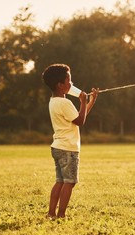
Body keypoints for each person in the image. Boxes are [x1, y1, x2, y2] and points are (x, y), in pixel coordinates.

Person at [42, 63, 99, 219]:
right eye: (69, 81)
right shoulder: (65, 103)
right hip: (68, 149)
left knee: (60, 181)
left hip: (58, 147)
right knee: (70, 182)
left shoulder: (54, 101)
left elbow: (79, 117)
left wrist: (90, 101)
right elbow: (80, 121)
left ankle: (51, 213)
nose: (72, 84)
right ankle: (61, 214)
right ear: (61, 85)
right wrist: (82, 101)